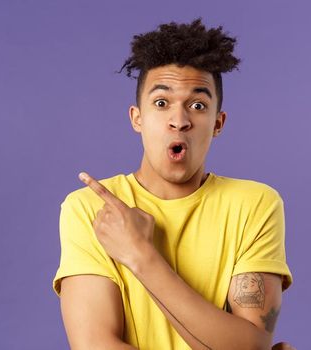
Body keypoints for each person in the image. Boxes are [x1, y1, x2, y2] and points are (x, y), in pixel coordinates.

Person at [53, 18, 295, 350]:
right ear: (137, 118)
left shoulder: (255, 204)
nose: (179, 121)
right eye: (162, 103)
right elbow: (95, 344)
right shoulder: (91, 209)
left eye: (198, 105)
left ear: (218, 123)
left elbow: (248, 345)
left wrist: (140, 255)